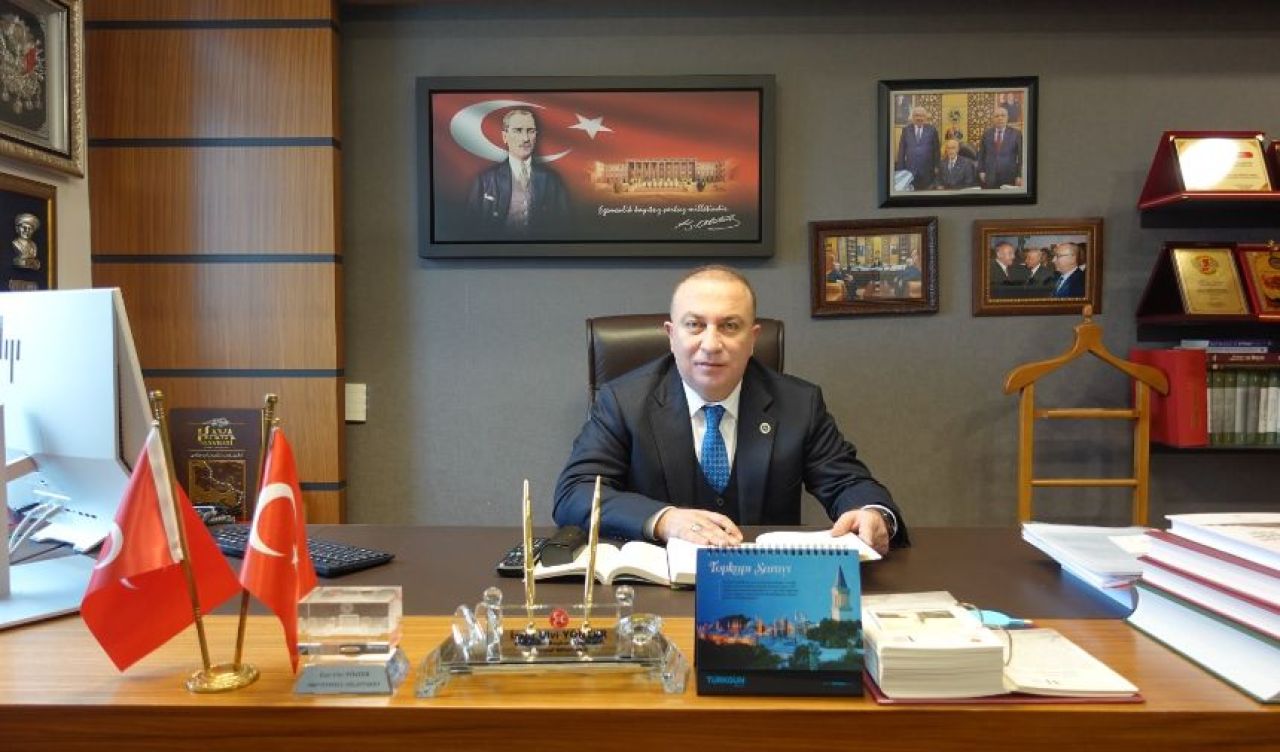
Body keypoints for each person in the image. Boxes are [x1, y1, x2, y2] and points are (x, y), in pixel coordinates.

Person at [553, 266, 908, 555]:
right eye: (695, 325)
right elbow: (575, 493)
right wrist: (664, 520)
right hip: (657, 587)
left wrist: (873, 513)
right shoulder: (623, 401)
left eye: (729, 326)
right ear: (671, 335)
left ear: (752, 338)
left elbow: (849, 482)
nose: (711, 344)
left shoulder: (798, 404)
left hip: (764, 586)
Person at [465, 108, 569, 236]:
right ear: (505, 136)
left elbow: (563, 229)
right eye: (518, 130)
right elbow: (471, 230)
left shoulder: (552, 181)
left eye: (530, 131)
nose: (525, 138)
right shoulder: (485, 181)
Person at [894, 107, 940, 191]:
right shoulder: (906, 130)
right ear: (912, 117)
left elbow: (936, 150)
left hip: (927, 170)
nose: (919, 118)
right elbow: (901, 150)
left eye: (922, 116)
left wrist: (937, 166)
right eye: (917, 115)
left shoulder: (932, 130)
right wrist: (900, 169)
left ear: (925, 117)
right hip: (910, 170)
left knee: (926, 193)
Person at [977, 106, 1023, 189]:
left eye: (1003, 115)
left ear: (1007, 118)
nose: (1000, 118)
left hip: (1009, 175)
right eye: (997, 116)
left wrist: (1019, 175)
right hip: (990, 176)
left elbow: (1021, 156)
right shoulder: (986, 134)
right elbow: (981, 154)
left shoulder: (1016, 134)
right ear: (993, 119)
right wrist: (981, 171)